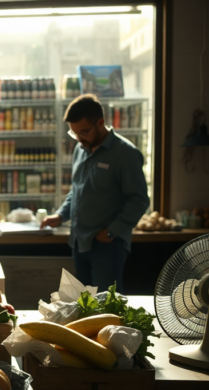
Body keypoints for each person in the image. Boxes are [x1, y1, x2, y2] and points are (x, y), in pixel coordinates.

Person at [40, 94, 149, 292]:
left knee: (106, 307)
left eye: (83, 132)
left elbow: (139, 199)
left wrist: (110, 232)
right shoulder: (80, 149)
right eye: (74, 134)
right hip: (78, 242)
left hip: (107, 245)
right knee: (84, 305)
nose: (79, 138)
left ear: (100, 123)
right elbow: (77, 191)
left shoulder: (125, 154)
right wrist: (61, 215)